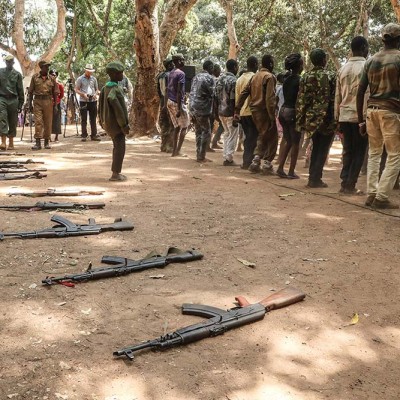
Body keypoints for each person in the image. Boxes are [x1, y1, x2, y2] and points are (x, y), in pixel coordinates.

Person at [356, 23, 400, 209]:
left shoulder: (371, 60)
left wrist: (360, 121)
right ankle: (382, 197)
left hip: (371, 111)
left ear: (383, 39)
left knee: (374, 153)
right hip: (391, 112)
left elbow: (359, 92)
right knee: (395, 155)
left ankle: (372, 194)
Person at [296, 48, 336, 188]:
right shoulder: (331, 76)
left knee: (315, 146)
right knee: (323, 148)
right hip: (327, 119)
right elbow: (334, 99)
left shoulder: (305, 76)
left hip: (311, 119)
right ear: (324, 60)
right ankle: (315, 178)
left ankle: (313, 177)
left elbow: (301, 100)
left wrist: (300, 119)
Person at [334, 36, 369, 194]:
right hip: (360, 116)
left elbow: (337, 96)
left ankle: (344, 182)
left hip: (344, 115)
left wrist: (337, 117)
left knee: (347, 149)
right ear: (363, 48)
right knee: (359, 150)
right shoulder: (366, 66)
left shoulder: (343, 68)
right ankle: (350, 184)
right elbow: (367, 94)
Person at [235, 55, 277, 174]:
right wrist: (272, 117)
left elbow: (244, 93)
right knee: (272, 138)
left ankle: (256, 161)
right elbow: (270, 99)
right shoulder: (269, 77)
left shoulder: (255, 76)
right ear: (270, 64)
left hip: (254, 112)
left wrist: (237, 108)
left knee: (262, 136)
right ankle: (267, 164)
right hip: (265, 111)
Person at [98, 61, 130, 182]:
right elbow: (118, 108)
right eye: (120, 73)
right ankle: (115, 174)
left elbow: (99, 107)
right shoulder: (115, 89)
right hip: (117, 124)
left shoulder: (104, 87)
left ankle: (115, 172)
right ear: (114, 75)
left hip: (108, 123)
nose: (122, 75)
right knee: (120, 148)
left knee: (116, 146)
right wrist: (124, 125)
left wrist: (101, 121)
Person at [276, 53, 304, 179]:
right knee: (296, 142)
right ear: (299, 66)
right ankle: (291, 171)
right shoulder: (299, 80)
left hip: (282, 111)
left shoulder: (286, 79)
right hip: (292, 112)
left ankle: (280, 168)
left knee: (288, 140)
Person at [28, 60, 59, 150]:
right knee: (38, 121)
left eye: (48, 67)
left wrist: (56, 106)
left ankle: (46, 142)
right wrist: (29, 104)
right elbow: (30, 92)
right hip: (37, 101)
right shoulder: (34, 78)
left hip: (48, 102)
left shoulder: (52, 79)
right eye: (46, 67)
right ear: (41, 68)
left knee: (48, 122)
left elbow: (56, 93)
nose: (47, 68)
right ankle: (38, 142)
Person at [234, 56, 259, 169]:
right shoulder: (254, 77)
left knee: (248, 137)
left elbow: (237, 97)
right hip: (252, 112)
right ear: (254, 65)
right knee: (252, 138)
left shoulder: (239, 79)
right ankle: (249, 162)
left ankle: (246, 161)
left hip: (242, 113)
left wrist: (237, 112)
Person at [189, 60, 215, 162]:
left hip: (193, 107)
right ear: (209, 67)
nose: (213, 69)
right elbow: (213, 93)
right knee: (206, 131)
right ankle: (201, 156)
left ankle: (198, 154)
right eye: (212, 67)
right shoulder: (209, 78)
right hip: (202, 108)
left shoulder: (196, 77)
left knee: (198, 131)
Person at [215, 59, 239, 166]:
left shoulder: (219, 79)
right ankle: (229, 158)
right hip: (230, 112)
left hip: (221, 111)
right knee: (233, 134)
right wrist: (236, 114)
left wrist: (216, 112)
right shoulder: (234, 81)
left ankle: (226, 155)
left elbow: (215, 97)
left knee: (226, 133)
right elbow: (234, 99)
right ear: (234, 67)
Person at [166, 54, 190, 156]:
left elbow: (168, 88)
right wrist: (180, 108)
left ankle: (174, 151)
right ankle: (178, 150)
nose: (184, 61)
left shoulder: (171, 73)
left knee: (176, 127)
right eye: (183, 60)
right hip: (177, 102)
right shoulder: (181, 74)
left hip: (170, 101)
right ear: (179, 61)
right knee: (185, 126)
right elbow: (180, 91)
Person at [0, 55, 24, 150]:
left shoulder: (18, 74)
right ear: (5, 62)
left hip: (14, 99)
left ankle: (11, 143)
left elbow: (20, 89)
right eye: (7, 61)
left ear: (13, 63)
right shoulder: (0, 72)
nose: (8, 63)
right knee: (2, 119)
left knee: (13, 121)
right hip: (2, 98)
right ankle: (3, 142)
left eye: (10, 61)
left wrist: (21, 103)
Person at [75, 63, 101, 142]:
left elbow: (97, 89)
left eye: (91, 71)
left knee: (93, 118)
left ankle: (94, 135)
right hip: (83, 101)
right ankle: (84, 135)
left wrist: (95, 94)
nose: (90, 73)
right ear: (85, 70)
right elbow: (76, 89)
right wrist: (83, 94)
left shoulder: (94, 79)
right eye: (88, 71)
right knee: (84, 119)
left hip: (93, 100)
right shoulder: (80, 79)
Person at [157, 58, 174, 153]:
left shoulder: (160, 76)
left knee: (164, 124)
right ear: (169, 65)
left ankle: (163, 145)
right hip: (170, 101)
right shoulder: (171, 75)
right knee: (171, 124)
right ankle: (169, 146)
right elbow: (169, 90)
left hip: (162, 100)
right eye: (172, 64)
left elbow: (158, 91)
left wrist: (162, 101)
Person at [210, 64, 224, 150]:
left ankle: (214, 141)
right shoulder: (215, 80)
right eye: (219, 70)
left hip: (209, 106)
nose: (220, 72)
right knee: (221, 124)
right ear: (215, 71)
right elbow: (215, 96)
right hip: (214, 106)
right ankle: (214, 142)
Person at [49, 69, 64, 142]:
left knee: (57, 120)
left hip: (57, 104)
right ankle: (48, 136)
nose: (53, 76)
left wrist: (56, 101)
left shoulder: (60, 85)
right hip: (48, 104)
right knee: (48, 120)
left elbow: (61, 95)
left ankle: (56, 137)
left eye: (55, 75)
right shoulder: (47, 83)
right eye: (52, 74)